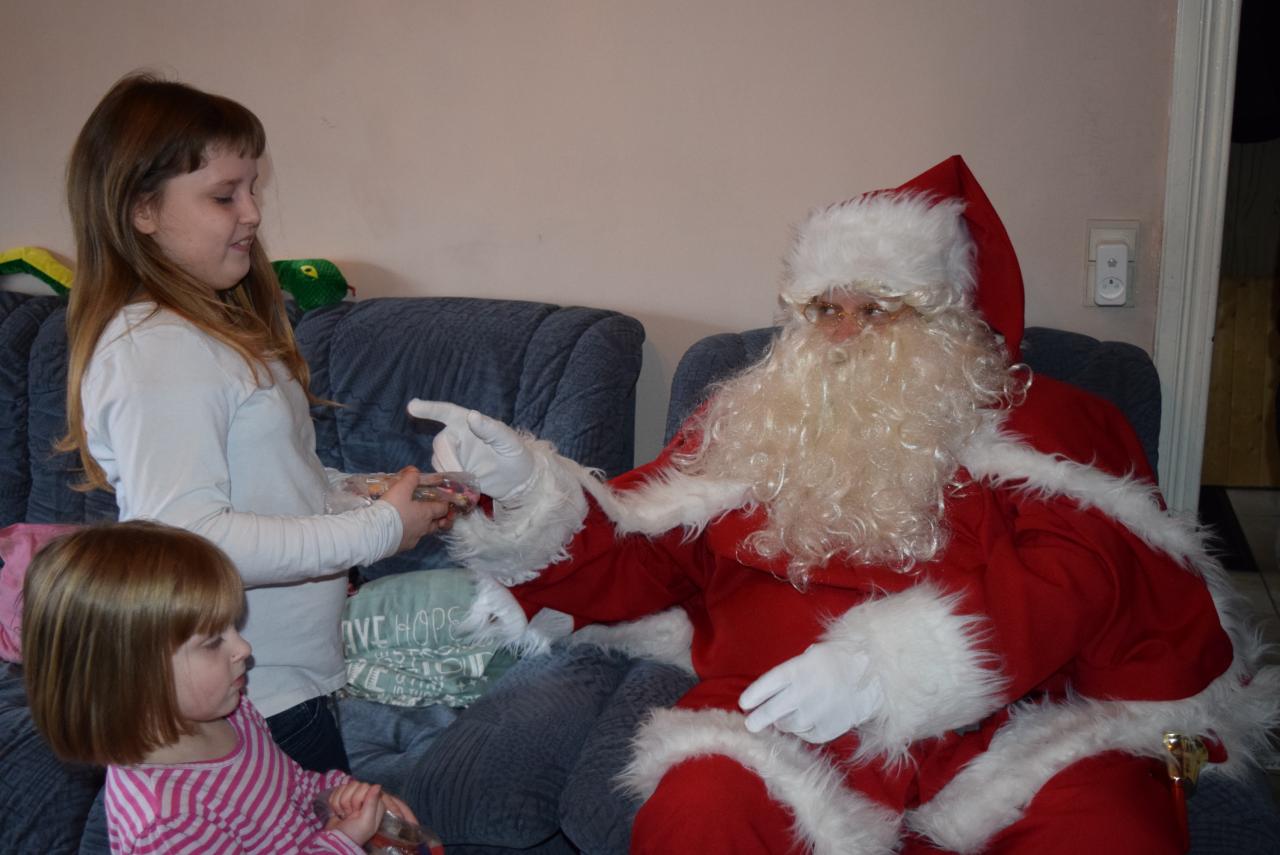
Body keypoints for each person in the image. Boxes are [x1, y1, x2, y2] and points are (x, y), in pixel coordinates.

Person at [409, 156, 1280, 854]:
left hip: (1014, 725)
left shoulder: (1052, 421)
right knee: (701, 810)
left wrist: (885, 669)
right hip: (779, 722)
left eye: (880, 307)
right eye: (824, 306)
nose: (844, 332)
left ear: (949, 319)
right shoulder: (748, 422)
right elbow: (644, 557)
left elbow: (1082, 574)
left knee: (1108, 827)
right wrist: (527, 489)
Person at [60, 72, 453, 773]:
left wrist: (360, 491)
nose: (251, 214)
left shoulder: (204, 331)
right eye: (223, 195)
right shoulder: (156, 348)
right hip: (247, 699)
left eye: (253, 189)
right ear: (141, 209)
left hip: (283, 680)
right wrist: (381, 528)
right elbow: (190, 539)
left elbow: (268, 480)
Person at [21, 521, 420, 853]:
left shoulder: (232, 712)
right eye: (213, 641)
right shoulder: (167, 823)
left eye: (234, 625)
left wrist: (338, 794)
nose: (243, 647)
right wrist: (344, 841)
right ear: (130, 677)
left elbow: (291, 788)